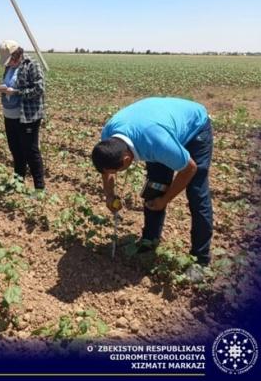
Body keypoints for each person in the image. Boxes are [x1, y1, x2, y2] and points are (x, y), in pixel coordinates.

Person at [91, 97, 213, 269]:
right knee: (156, 186)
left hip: (195, 128)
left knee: (196, 193)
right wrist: (109, 195)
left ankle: (201, 259)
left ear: (126, 160)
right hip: (156, 124)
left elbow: (189, 169)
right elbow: (106, 171)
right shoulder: (108, 136)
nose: (113, 175)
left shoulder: (158, 144)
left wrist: (165, 200)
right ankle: (149, 241)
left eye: (116, 171)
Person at [0, 40, 45, 190]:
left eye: (10, 59)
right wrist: (3, 88)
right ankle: (18, 183)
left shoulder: (32, 64)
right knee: (15, 150)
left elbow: (39, 89)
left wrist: (16, 92)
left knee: (31, 151)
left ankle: (39, 188)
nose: (8, 63)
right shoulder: (8, 67)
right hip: (9, 115)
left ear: (17, 54)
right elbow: (10, 83)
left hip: (27, 116)